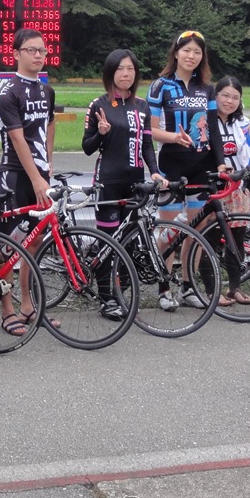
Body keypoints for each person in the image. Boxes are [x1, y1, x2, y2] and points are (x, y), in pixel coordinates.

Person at [82, 49, 166, 319]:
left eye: (130, 69)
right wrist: (101, 134)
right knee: (108, 243)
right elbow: (87, 147)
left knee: (129, 243)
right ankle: (106, 299)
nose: (126, 74)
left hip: (135, 183)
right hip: (107, 183)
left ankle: (121, 293)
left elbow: (147, 145)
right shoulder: (98, 105)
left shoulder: (142, 106)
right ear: (110, 72)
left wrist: (155, 172)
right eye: (120, 69)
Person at [147, 30, 226, 311]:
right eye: (186, 51)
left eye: (197, 52)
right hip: (171, 165)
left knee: (196, 231)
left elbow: (214, 129)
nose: (191, 56)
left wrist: (220, 162)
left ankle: (188, 285)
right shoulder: (161, 86)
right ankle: (164, 288)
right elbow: (150, 130)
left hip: (201, 168)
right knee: (169, 232)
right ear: (176, 53)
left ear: (202, 57)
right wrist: (174, 137)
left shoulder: (207, 88)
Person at [0, 28, 57, 336]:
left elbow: (50, 125)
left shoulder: (47, 91)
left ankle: (29, 306)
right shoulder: (8, 93)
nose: (38, 55)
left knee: (33, 243)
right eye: (31, 50)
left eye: (42, 50)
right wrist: (35, 178)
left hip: (38, 176)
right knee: (8, 247)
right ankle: (7, 310)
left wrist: (48, 165)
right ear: (16, 54)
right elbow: (18, 140)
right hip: (15, 176)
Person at [214, 75, 250, 306]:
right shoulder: (206, 120)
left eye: (235, 97)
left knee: (236, 239)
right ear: (215, 96)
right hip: (214, 186)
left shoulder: (241, 122)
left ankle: (234, 288)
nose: (229, 101)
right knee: (209, 239)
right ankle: (210, 290)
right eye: (225, 95)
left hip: (238, 187)